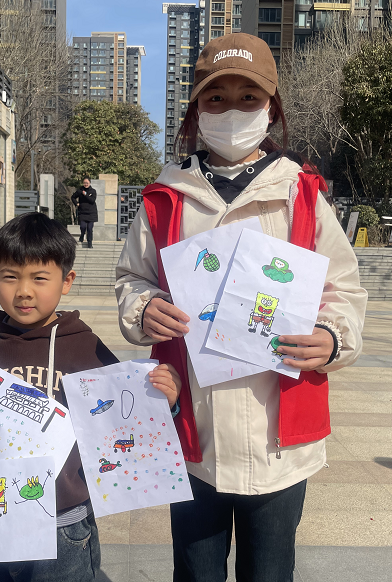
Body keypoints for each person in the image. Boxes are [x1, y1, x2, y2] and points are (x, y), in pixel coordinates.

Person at [115, 33, 367, 582]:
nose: (232, 110)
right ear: (196, 110)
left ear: (271, 108)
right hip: (193, 434)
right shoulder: (165, 198)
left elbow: (343, 288)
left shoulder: (301, 193)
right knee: (195, 570)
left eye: (248, 97)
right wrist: (144, 308)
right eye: (216, 97)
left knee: (271, 571)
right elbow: (132, 277)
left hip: (279, 442)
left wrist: (332, 337)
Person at [0, 212, 182, 582]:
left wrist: (163, 401)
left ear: (66, 281)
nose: (24, 291)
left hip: (61, 520)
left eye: (39, 278)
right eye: (10, 276)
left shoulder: (84, 346)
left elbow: (121, 419)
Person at [71, 177, 98, 248]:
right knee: (83, 227)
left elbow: (92, 200)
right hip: (82, 212)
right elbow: (73, 197)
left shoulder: (93, 191)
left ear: (90, 183)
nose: (85, 184)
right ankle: (82, 235)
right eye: (84, 183)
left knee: (89, 228)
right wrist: (76, 203)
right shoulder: (80, 191)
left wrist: (85, 195)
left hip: (91, 213)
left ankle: (90, 243)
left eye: (87, 183)